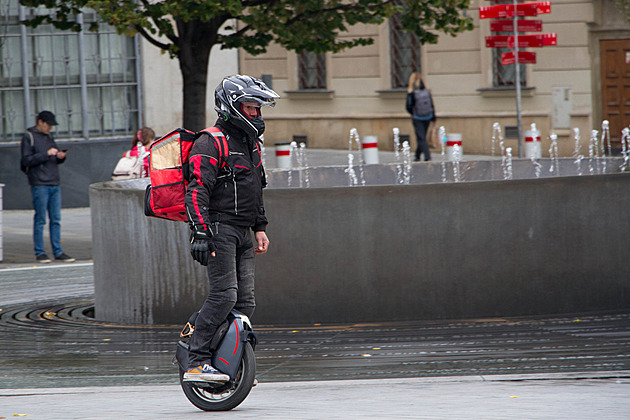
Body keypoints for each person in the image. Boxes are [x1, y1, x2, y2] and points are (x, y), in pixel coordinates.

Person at [183, 75, 279, 382]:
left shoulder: (251, 145)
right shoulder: (210, 141)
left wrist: (260, 227)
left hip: (243, 233)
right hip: (218, 230)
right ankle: (196, 359)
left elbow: (256, 188)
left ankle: (229, 357)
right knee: (224, 296)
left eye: (257, 108)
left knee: (245, 302)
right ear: (231, 107)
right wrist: (199, 232)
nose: (255, 114)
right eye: (250, 108)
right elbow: (197, 190)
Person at [20, 110, 75, 263]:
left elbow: (52, 158)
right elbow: (25, 161)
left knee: (56, 219)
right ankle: (40, 252)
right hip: (39, 183)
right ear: (40, 122)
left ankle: (58, 251)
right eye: (48, 125)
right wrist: (46, 154)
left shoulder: (49, 136)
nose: (50, 128)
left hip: (54, 181)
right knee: (40, 219)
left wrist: (59, 157)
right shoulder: (29, 137)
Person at [406, 72, 436, 162]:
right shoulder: (426, 91)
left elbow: (408, 106)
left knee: (421, 137)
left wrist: (413, 113)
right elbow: (431, 104)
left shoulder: (411, 92)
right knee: (422, 136)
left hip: (417, 118)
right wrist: (434, 117)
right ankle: (417, 155)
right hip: (428, 116)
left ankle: (427, 157)